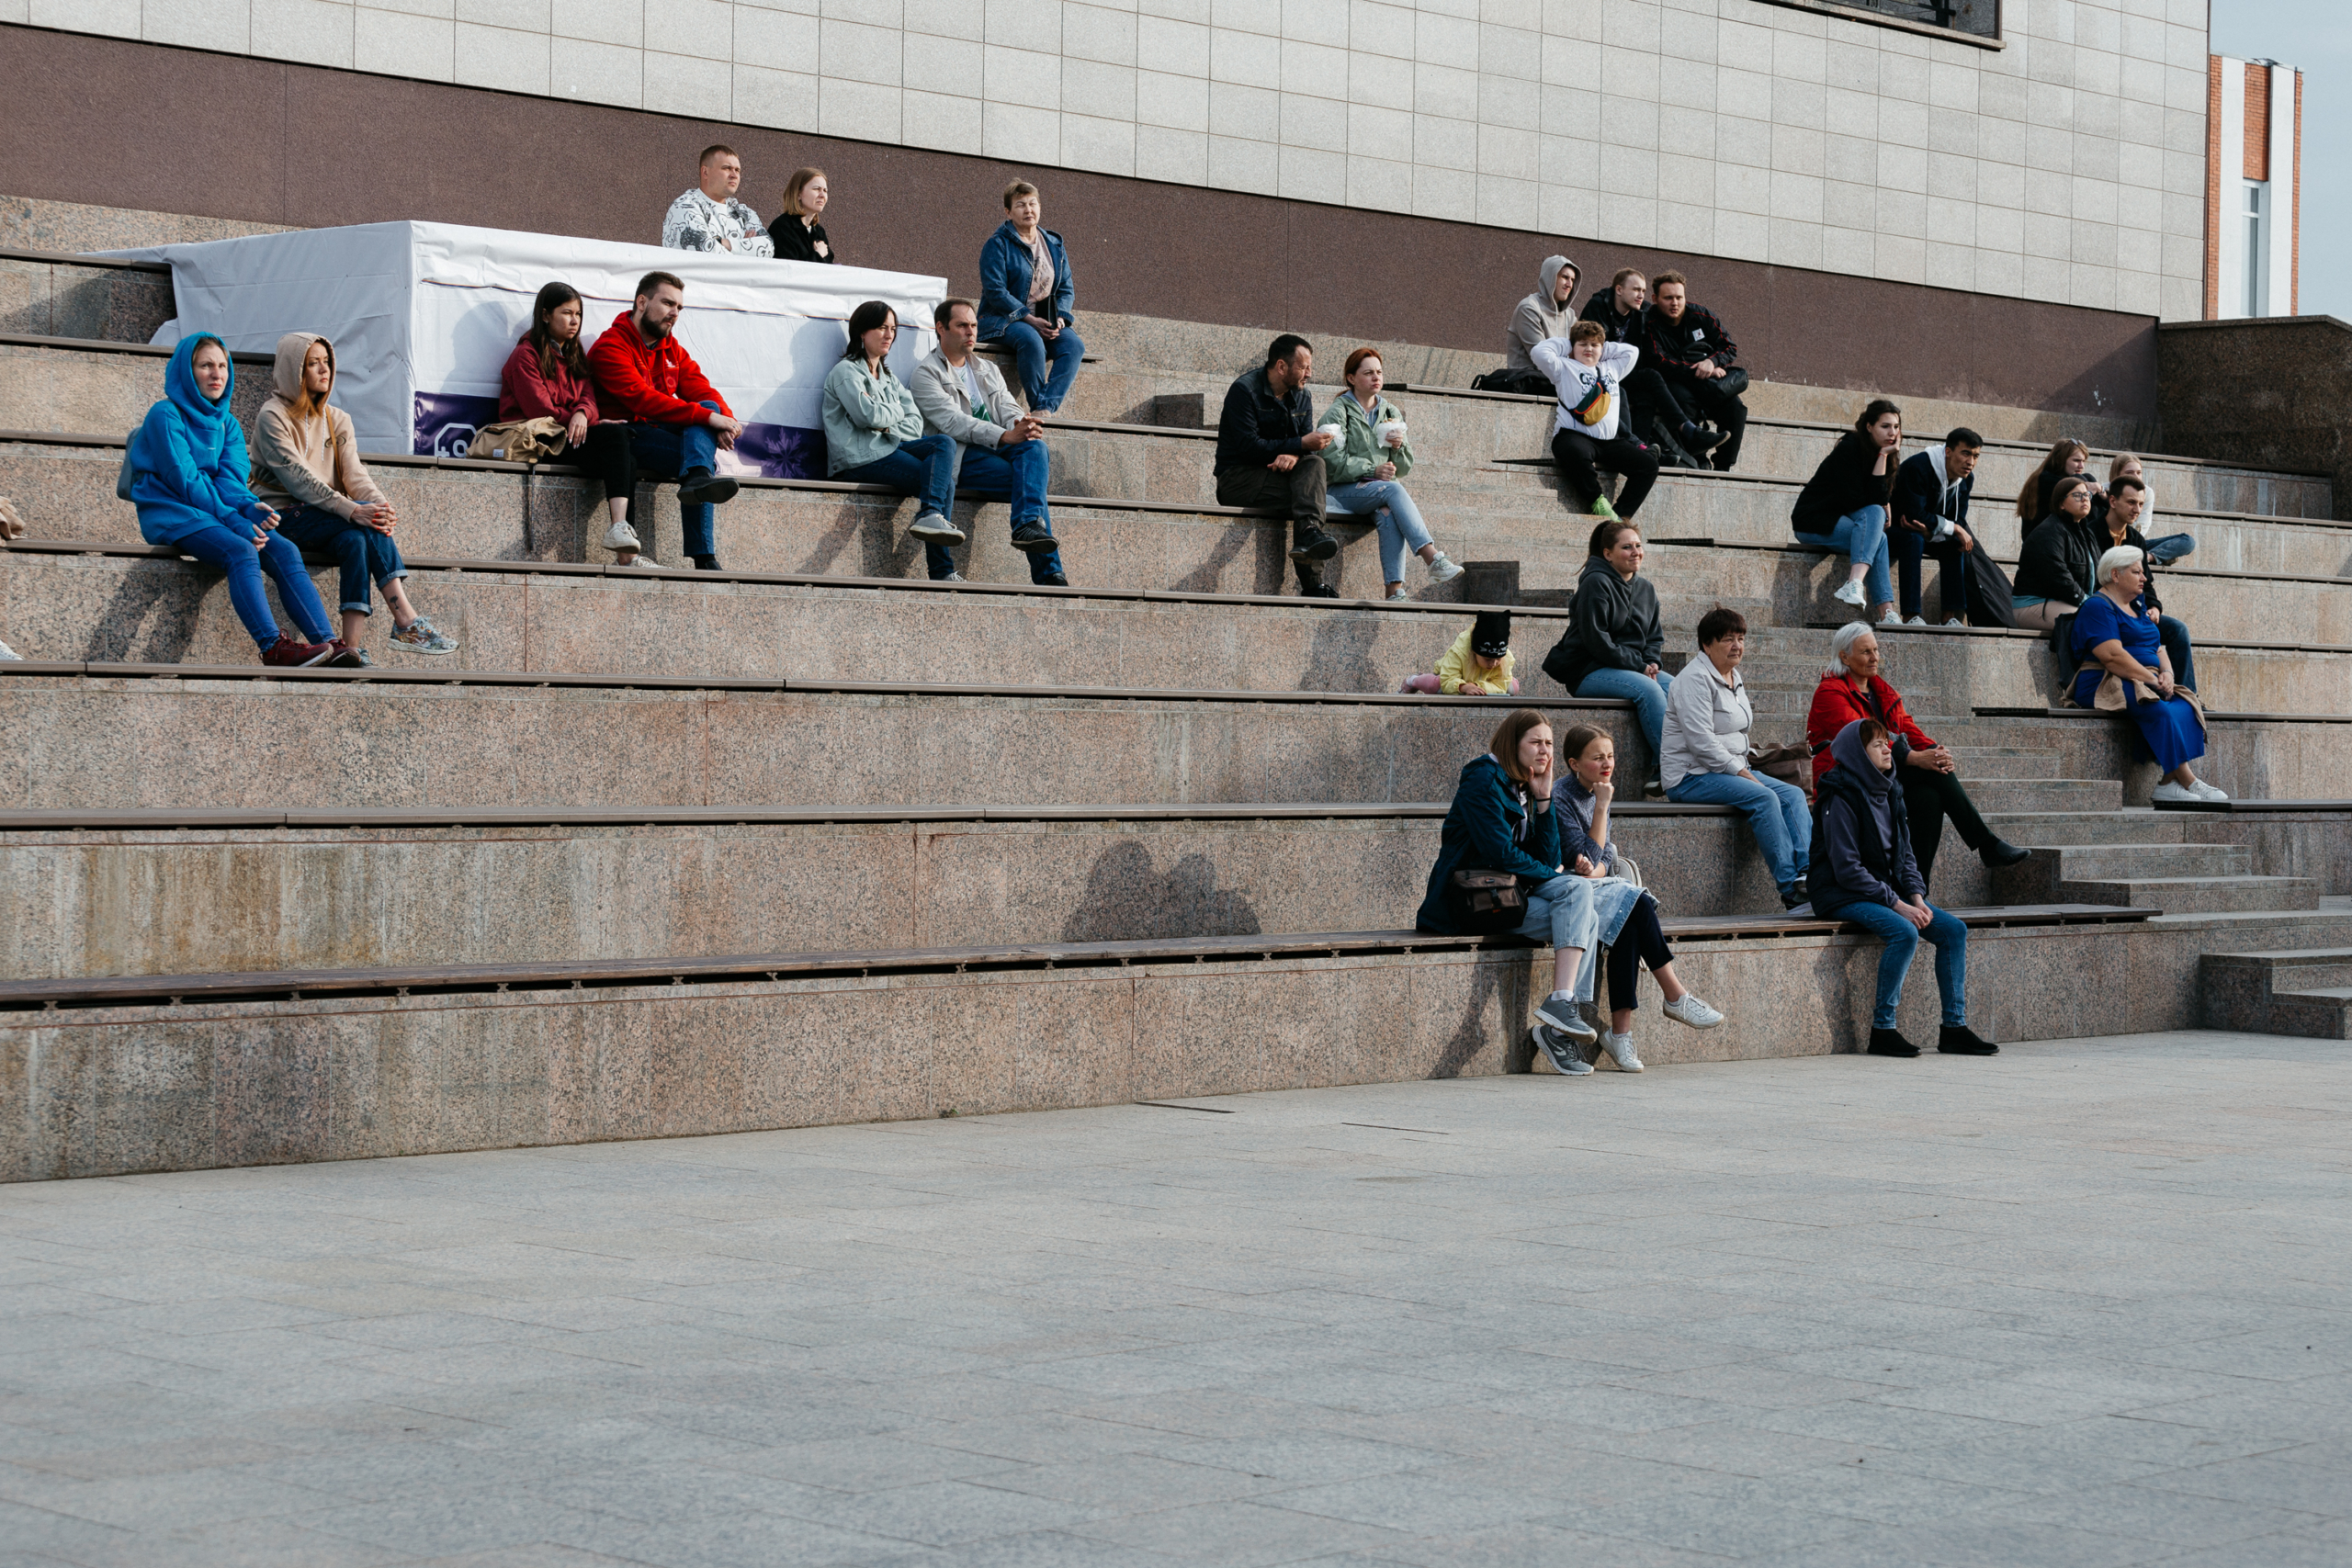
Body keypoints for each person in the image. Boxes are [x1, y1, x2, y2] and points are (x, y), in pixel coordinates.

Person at [128, 334, 345, 668]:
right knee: (242, 549)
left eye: (222, 366)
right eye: (205, 366)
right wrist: (235, 520)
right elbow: (185, 481)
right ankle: (273, 647)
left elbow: (230, 479)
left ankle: (327, 643)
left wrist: (248, 507)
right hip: (173, 511)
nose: (216, 374)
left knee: (284, 549)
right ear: (188, 371)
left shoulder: (227, 422)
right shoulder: (165, 415)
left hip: (217, 511)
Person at [1414, 709, 1610, 1076]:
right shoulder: (1483, 780)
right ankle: (1562, 1009)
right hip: (1466, 905)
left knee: (1588, 913)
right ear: (1512, 744)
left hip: (1509, 903)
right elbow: (1499, 852)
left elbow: (1548, 855)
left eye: (1549, 743)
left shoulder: (1526, 785)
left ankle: (1561, 1021)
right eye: (1535, 742)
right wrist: (1553, 875)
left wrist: (1545, 800)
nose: (1544, 751)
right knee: (1574, 889)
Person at [249, 333, 456, 660]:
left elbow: (355, 475)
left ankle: (351, 647)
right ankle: (406, 620)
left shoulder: (338, 419)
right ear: (294, 369)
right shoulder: (272, 416)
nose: (324, 370)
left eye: (327, 362)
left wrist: (379, 506)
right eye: (312, 363)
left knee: (356, 540)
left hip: (324, 517)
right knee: (362, 519)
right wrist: (353, 509)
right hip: (281, 516)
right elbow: (297, 478)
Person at [1808, 719, 1999, 1058]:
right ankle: (1883, 1030)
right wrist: (1898, 905)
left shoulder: (1890, 789)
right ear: (1857, 754)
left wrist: (1916, 897)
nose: (1887, 750)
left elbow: (1906, 856)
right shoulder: (1839, 796)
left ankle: (1954, 1028)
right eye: (1877, 745)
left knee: (1953, 930)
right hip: (1840, 892)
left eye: (1886, 742)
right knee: (1904, 932)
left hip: (1885, 890)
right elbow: (1847, 870)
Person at [1807, 622, 2026, 889]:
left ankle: (1916, 889)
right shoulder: (1829, 692)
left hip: (1883, 775)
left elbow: (1910, 729)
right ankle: (1986, 844)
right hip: (1846, 780)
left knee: (1928, 798)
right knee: (1928, 774)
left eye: (1876, 650)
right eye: (1866, 652)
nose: (1874, 657)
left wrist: (1936, 752)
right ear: (1844, 656)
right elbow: (1863, 739)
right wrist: (1914, 758)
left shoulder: (1882, 692)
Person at [1558, 724, 1728, 1068]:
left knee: (1629, 920)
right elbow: (1583, 855)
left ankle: (1622, 1035)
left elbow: (1605, 859)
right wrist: (1603, 810)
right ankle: (1673, 996)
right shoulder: (1564, 796)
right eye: (1597, 758)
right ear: (1574, 763)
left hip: (1596, 885)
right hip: (1567, 893)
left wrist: (1600, 867)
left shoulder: (1598, 791)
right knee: (1633, 901)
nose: (1607, 764)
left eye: (1610, 756)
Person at [586, 271, 743, 572]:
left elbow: (702, 389)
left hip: (655, 433)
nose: (674, 313)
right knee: (703, 423)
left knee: (707, 410)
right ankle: (703, 556)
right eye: (668, 303)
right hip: (625, 435)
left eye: (680, 308)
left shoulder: (672, 348)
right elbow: (642, 400)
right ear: (642, 302)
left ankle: (697, 478)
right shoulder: (610, 346)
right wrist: (712, 419)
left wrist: (725, 418)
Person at [911, 298, 1069, 587]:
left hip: (998, 446)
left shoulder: (986, 368)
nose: (971, 332)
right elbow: (954, 422)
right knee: (1029, 483)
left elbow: (1007, 405)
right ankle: (1049, 573)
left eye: (973, 325)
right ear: (940, 328)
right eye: (962, 325)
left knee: (1035, 447)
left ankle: (1026, 527)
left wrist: (1020, 424)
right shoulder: (926, 375)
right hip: (962, 453)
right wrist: (1004, 435)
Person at [1663, 605, 1812, 911]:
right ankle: (1790, 892)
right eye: (1728, 639)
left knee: (1794, 794)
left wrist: (1742, 766)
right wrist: (1741, 772)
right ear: (1707, 644)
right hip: (1691, 776)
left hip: (1731, 769)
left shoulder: (1733, 675)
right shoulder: (1693, 679)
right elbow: (1701, 743)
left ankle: (1810, 877)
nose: (1737, 646)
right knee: (1766, 798)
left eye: (1741, 638)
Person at [501, 282, 655, 568]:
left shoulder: (574, 354)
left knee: (626, 455)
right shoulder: (525, 355)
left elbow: (588, 397)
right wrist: (577, 416)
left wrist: (584, 413)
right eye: (567, 313)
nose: (575, 321)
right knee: (614, 437)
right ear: (545, 315)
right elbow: (540, 411)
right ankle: (621, 538)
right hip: (540, 440)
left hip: (568, 437)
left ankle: (625, 547)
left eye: (579, 314)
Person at [2069, 547, 2226, 804]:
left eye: (2143, 572)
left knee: (2184, 706)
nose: (2144, 578)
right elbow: (2112, 657)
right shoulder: (2097, 607)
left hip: (2143, 679)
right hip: (2104, 681)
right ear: (2115, 575)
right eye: (2137, 572)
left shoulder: (2137, 606)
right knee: (2159, 708)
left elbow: (2158, 646)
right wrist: (2153, 681)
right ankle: (2190, 782)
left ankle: (2167, 783)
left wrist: (2167, 673)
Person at [824, 300, 966, 573]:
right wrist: (893, 413)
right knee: (944, 484)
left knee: (944, 443)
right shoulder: (846, 372)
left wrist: (885, 423)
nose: (889, 334)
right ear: (862, 333)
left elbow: (914, 424)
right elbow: (866, 416)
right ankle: (942, 570)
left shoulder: (889, 378)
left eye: (892, 328)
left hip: (887, 447)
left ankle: (929, 515)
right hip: (858, 459)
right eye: (881, 327)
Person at [1316, 347, 1460, 600]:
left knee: (1388, 512)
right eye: (1369, 372)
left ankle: (1393, 592)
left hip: (1377, 493)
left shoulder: (1390, 411)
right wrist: (1373, 469)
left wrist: (1399, 447)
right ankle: (1433, 558)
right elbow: (1330, 461)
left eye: (1379, 372)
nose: (1376, 377)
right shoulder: (1339, 411)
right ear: (1351, 378)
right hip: (1342, 491)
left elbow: (1403, 469)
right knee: (1392, 489)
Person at [1543, 518, 1671, 794]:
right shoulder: (1595, 583)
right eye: (1627, 547)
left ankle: (1683, 762)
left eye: (1638, 545)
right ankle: (1671, 765)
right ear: (1608, 554)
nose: (1635, 551)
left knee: (1677, 687)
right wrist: (1640, 666)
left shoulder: (1646, 589)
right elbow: (1596, 641)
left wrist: (1652, 662)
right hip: (1588, 671)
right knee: (1649, 690)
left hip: (1631, 669)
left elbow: (1654, 637)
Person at [1215, 334, 1340, 597]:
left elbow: (1304, 447)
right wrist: (1297, 446)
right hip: (1238, 478)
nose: (1310, 373)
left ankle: (1309, 535)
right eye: (1304, 367)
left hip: (1279, 476)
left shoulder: (1302, 395)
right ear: (1282, 367)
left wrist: (1295, 454)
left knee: (1313, 467)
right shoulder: (1244, 390)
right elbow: (1248, 447)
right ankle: (1313, 583)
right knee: (1308, 497)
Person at [1581, 268, 1716, 468]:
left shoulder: (1642, 312)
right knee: (1641, 383)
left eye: (1643, 291)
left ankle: (1647, 450)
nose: (1641, 296)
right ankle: (1682, 432)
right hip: (1596, 374)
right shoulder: (1598, 306)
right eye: (1636, 290)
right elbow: (1590, 349)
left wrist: (1712, 362)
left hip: (1624, 373)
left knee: (1647, 394)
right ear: (1619, 289)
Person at [1532, 321, 1658, 522]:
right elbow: (1539, 351)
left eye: (1594, 344)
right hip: (1574, 436)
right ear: (1574, 347)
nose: (1588, 349)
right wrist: (1569, 344)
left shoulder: (1612, 367)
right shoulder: (1562, 367)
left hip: (1609, 441)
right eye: (1583, 344)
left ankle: (1619, 518)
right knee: (1574, 452)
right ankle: (1598, 503)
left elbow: (1632, 352)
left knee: (1648, 465)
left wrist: (1602, 346)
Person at [1791, 399, 1902, 622]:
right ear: (1869, 426)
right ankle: (1871, 597)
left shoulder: (1883, 453)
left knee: (1879, 536)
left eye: (1896, 427)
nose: (1892, 433)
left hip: (1844, 519)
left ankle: (1883, 610)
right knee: (1877, 529)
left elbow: (1876, 500)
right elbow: (1856, 500)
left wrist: (1883, 456)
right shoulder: (1849, 448)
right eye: (1885, 426)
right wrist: (1882, 502)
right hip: (1814, 521)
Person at [978, 181, 1082, 414]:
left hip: (1045, 319)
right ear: (1008, 212)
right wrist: (1027, 318)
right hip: (1002, 319)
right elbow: (995, 291)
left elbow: (1066, 289)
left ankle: (1046, 406)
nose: (1028, 210)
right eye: (1020, 205)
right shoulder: (997, 245)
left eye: (1032, 204)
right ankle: (1039, 407)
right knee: (1031, 340)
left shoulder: (1054, 244)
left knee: (1074, 345)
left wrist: (1061, 319)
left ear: (1040, 207)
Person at [1638, 272, 1746, 471]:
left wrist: (1712, 362)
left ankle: (1724, 465)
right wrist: (1701, 370)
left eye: (1679, 297)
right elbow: (1660, 361)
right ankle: (1699, 460)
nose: (1675, 303)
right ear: (1655, 299)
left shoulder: (1701, 315)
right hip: (1675, 381)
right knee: (1684, 400)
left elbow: (1729, 347)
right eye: (1668, 298)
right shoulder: (1649, 322)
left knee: (1736, 407)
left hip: (1707, 383)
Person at [2108, 475, 2197, 691]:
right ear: (2112, 501)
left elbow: (2146, 583)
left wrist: (2154, 606)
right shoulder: (2091, 532)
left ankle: (2188, 695)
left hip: (2136, 612)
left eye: (2140, 504)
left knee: (2178, 630)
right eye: (2131, 503)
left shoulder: (2136, 539)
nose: (2137, 509)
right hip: (2107, 610)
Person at [1890, 426, 1983, 626]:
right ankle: (1910, 615)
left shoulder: (1967, 479)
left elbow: (1959, 519)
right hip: (1897, 528)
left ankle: (1949, 617)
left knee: (1954, 545)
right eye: (1965, 454)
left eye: (1975, 456)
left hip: (1926, 531)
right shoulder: (1919, 466)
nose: (1971, 462)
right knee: (1913, 539)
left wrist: (1933, 530)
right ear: (1948, 452)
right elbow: (1913, 514)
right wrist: (1953, 529)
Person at [2009, 475, 2102, 631]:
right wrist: (2089, 603)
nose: (2085, 499)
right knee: (2092, 622)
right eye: (2077, 495)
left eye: (2087, 495)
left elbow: (2099, 576)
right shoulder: (2049, 532)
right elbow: (2059, 577)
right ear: (2061, 504)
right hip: (2035, 603)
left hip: (2070, 601)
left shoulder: (2087, 533)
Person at [662, 144, 773, 257]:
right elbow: (706, 252)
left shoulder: (744, 212)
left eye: (737, 170)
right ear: (705, 172)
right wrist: (746, 249)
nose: (734, 175)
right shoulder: (685, 206)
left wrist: (724, 243)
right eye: (726, 168)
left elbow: (768, 249)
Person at [1493, 255, 1578, 395]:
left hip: (1557, 380)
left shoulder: (1570, 315)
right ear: (1550, 277)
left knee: (1612, 391)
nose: (1569, 284)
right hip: (1529, 382)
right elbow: (1543, 360)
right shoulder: (1529, 308)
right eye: (1564, 277)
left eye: (1573, 280)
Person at [1400, 609, 1517, 694]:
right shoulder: (1460, 651)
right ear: (1475, 652)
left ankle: (1510, 679)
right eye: (1488, 659)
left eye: (1498, 659)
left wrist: (1477, 686)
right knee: (1436, 685)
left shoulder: (1507, 658)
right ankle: (1413, 680)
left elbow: (1501, 686)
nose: (1494, 663)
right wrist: (1463, 687)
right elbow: (1448, 681)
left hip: (1480, 683)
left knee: (1513, 688)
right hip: (1451, 677)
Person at [2109, 453, 2194, 565]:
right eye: (2129, 473)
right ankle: (2152, 557)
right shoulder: (2105, 491)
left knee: (2187, 541)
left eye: (2139, 473)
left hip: (2135, 542)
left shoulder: (2146, 492)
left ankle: (2148, 557)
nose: (2136, 477)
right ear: (2117, 474)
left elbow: (2143, 526)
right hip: (2111, 542)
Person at [2016, 438, 2093, 531]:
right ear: (2061, 460)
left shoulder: (2043, 477)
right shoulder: (2047, 481)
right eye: (2076, 461)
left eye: (2083, 461)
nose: (2081, 466)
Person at [769, 167, 836, 265]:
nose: (822, 195)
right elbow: (790, 273)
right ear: (798, 194)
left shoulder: (818, 231)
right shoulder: (783, 228)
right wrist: (818, 254)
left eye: (825, 190)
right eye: (816, 189)